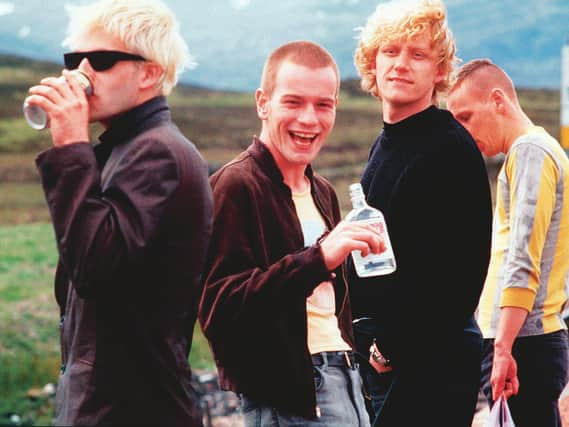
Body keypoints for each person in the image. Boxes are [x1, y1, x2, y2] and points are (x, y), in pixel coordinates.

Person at [26, 0, 212, 425]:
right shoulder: (125, 149)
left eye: (102, 60)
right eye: (74, 60)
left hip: (131, 406)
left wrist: (71, 145)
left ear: (150, 73)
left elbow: (95, 267)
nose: (82, 73)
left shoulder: (157, 153)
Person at [198, 40, 383, 427]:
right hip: (292, 397)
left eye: (323, 105)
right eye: (293, 102)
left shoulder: (323, 192)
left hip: (346, 377)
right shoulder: (235, 185)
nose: (309, 120)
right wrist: (317, 259)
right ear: (263, 104)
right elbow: (218, 307)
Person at [350, 1, 493, 426]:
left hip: (428, 361)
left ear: (440, 71)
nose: (400, 64)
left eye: (418, 54)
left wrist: (389, 347)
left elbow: (459, 276)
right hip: (392, 356)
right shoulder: (391, 141)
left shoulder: (448, 147)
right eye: (390, 51)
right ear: (372, 62)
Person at [447, 58, 569, 427]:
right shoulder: (534, 152)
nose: (464, 132)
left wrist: (503, 346)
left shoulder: (530, 151)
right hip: (524, 339)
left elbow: (522, 255)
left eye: (466, 117)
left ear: (498, 101)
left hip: (523, 342)